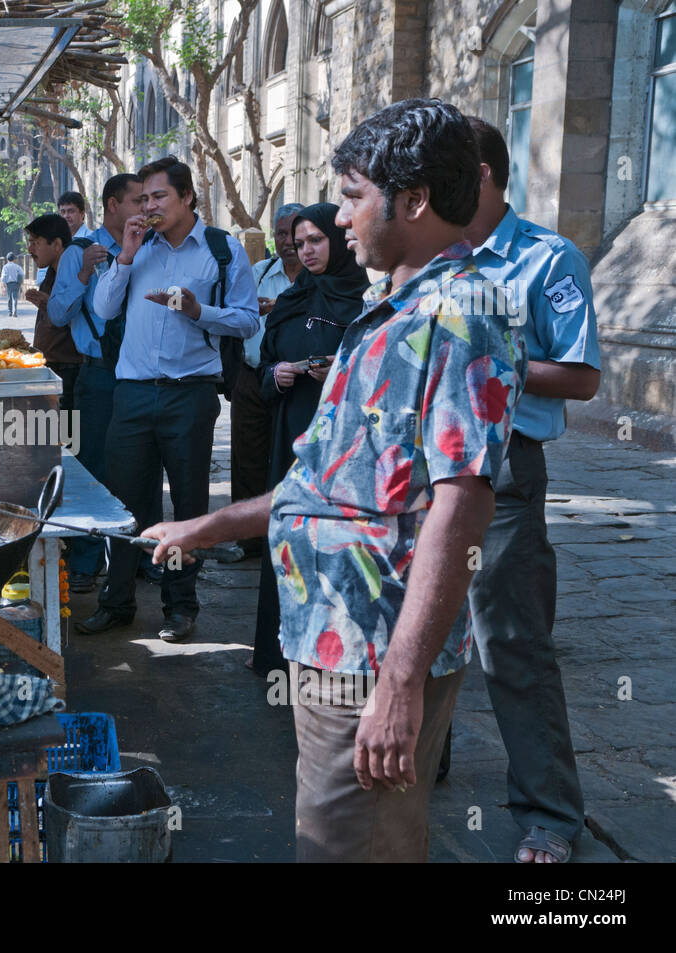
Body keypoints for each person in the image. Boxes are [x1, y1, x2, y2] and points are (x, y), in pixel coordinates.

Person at [143, 100, 528, 862]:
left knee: (348, 847)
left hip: (372, 651)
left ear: (412, 201)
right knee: (353, 839)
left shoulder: (461, 315)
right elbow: (328, 481)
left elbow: (462, 503)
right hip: (330, 639)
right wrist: (206, 527)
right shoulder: (394, 310)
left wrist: (401, 681)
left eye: (354, 197)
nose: (340, 219)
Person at [456, 116, 600, 864]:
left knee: (510, 640)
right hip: (424, 461)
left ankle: (549, 814)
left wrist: (490, 356)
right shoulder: (432, 258)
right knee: (413, 625)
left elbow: (581, 375)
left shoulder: (549, 258)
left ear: (480, 172)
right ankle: (419, 764)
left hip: (504, 467)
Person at [78, 156, 259, 643]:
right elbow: (103, 307)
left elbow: (246, 320)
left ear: (187, 198)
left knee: (187, 506)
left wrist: (199, 310)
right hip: (132, 394)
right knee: (124, 505)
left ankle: (180, 607)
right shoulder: (138, 249)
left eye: (158, 197)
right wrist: (126, 255)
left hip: (190, 396)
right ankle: (117, 601)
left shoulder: (221, 251)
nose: (148, 207)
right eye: (143, 199)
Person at [249, 203, 369, 676]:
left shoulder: (367, 299)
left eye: (317, 240)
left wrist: (336, 375)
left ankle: (338, 655)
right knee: (289, 536)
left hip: (346, 443)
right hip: (293, 434)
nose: (307, 251)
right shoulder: (295, 300)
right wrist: (276, 374)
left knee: (337, 543)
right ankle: (281, 654)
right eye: (300, 244)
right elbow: (263, 365)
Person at [45, 173, 143, 593]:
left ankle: (137, 558)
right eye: (138, 200)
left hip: (142, 376)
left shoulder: (151, 246)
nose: (146, 207)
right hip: (97, 374)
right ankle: (85, 562)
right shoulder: (80, 251)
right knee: (90, 470)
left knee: (140, 470)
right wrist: (84, 274)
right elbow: (57, 314)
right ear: (112, 205)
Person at [230, 202, 304, 513]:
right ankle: (247, 538)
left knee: (293, 456)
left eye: (294, 233)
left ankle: (287, 525)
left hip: (301, 381)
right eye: (281, 234)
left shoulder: (318, 280)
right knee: (248, 455)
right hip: (254, 377)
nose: (287, 241)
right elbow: (234, 316)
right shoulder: (257, 275)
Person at [23, 213, 83, 412]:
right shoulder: (50, 273)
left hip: (68, 369)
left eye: (35, 242)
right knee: (48, 434)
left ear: (56, 244)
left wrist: (51, 305)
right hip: (50, 365)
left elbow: (76, 320)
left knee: (67, 437)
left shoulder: (74, 273)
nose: (29, 249)